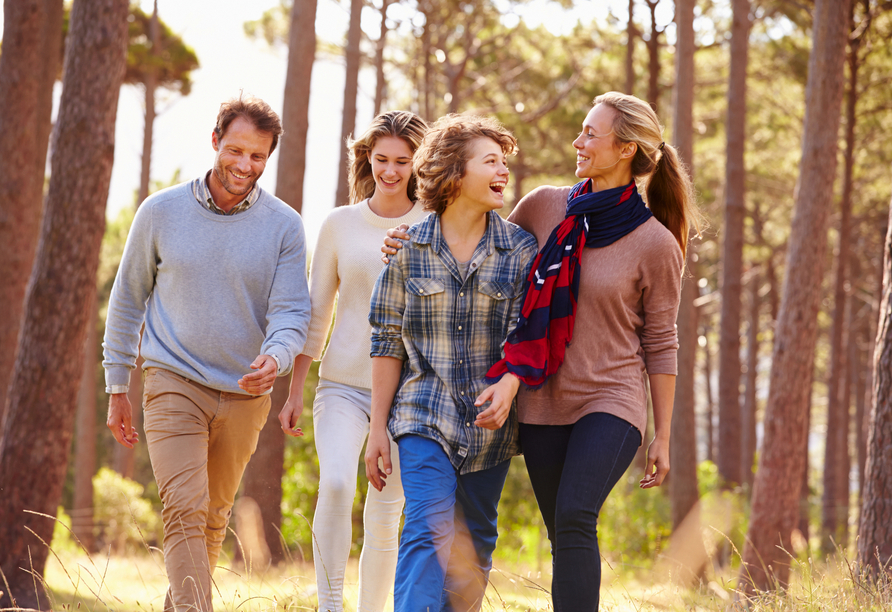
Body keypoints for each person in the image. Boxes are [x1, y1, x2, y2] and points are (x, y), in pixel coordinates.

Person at [382, 92, 696, 611]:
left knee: (575, 514)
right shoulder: (546, 207)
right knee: (562, 531)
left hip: (611, 400)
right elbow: (472, 232)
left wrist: (662, 433)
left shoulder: (656, 245)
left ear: (624, 149)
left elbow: (662, 343)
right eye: (581, 129)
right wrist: (408, 238)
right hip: (542, 399)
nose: (578, 141)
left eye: (591, 133)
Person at [103, 95, 311, 612]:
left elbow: (291, 313)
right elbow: (127, 300)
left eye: (258, 157)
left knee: (214, 516)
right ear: (215, 141)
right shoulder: (161, 212)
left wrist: (277, 357)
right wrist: (116, 386)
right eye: (236, 150)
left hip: (244, 391)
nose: (244, 166)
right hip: (173, 379)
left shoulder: (284, 226)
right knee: (184, 507)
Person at [364, 114, 538, 612]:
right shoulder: (409, 251)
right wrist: (378, 428)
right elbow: (386, 341)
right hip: (424, 412)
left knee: (475, 543)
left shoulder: (519, 252)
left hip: (491, 426)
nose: (503, 170)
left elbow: (527, 336)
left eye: (505, 161)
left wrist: (508, 385)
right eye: (491, 161)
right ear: (454, 173)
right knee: (427, 524)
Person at [277, 110, 429, 612]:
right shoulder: (339, 224)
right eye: (381, 159)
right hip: (341, 384)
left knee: (386, 511)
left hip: (408, 392)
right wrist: (296, 389)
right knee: (339, 482)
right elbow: (316, 312)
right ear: (367, 158)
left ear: (417, 164)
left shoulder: (432, 225)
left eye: (402, 161)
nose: (390, 171)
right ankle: (330, 604)